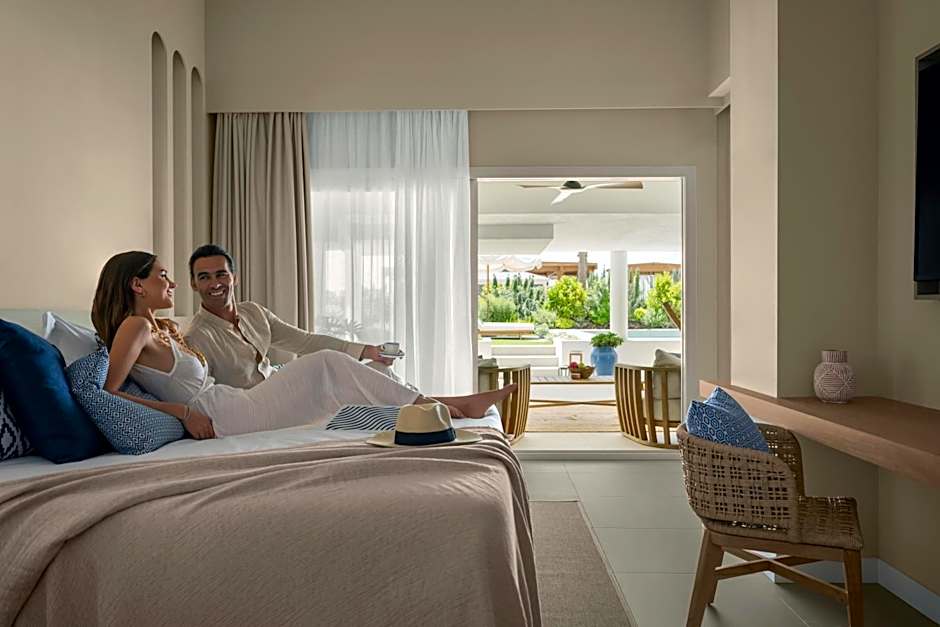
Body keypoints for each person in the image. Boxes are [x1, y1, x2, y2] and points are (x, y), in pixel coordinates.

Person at [91, 251, 516, 439]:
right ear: (137, 285)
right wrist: (183, 413)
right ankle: (437, 406)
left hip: (232, 404)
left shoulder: (162, 327)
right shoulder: (135, 327)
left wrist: (365, 350)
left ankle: (439, 405)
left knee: (350, 378)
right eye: (162, 275)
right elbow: (107, 392)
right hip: (224, 414)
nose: (170, 283)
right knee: (328, 365)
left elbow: (301, 339)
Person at [184, 244, 399, 390]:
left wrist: (368, 351)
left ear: (234, 278)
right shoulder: (196, 337)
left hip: (282, 389)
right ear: (194, 284)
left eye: (221, 274)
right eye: (204, 277)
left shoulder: (253, 312)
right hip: (253, 406)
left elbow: (306, 342)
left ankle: (416, 414)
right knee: (327, 362)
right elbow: (203, 393)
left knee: (380, 371)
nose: (215, 284)